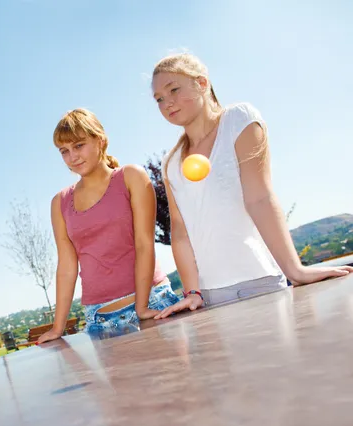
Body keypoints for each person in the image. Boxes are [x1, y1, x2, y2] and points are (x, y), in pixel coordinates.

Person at [150, 53, 352, 319]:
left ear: (201, 83)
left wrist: (295, 271)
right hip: (210, 298)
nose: (167, 103)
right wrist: (192, 293)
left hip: (261, 283)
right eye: (159, 99)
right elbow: (180, 233)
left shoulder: (239, 119)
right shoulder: (171, 161)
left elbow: (259, 198)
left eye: (173, 89)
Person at [37, 108, 180, 344]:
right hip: (101, 320)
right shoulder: (60, 202)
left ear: (100, 140)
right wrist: (57, 328)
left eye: (79, 145)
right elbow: (66, 266)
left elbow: (144, 244)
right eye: (64, 151)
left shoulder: (131, 177)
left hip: (154, 303)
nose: (72, 156)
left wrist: (142, 306)